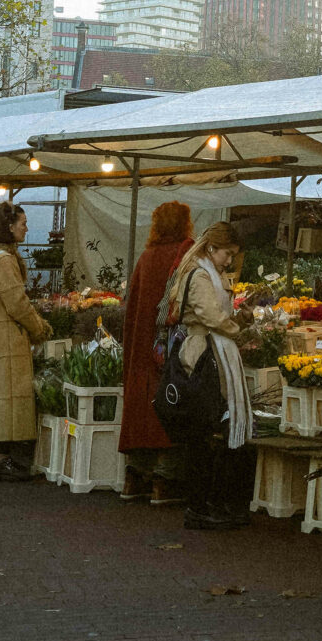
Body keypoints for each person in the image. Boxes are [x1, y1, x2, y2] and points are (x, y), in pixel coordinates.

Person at [157, 221, 254, 529]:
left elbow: (217, 315)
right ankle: (199, 507)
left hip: (209, 349)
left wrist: (240, 316)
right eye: (227, 253)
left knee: (206, 432)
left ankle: (207, 503)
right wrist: (239, 327)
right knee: (203, 432)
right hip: (202, 354)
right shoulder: (200, 275)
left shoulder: (206, 272)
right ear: (212, 248)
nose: (229, 261)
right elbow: (212, 317)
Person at [120, 202, 194, 503]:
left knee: (142, 408)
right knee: (169, 405)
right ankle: (165, 480)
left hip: (141, 346)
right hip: (167, 347)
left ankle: (134, 478)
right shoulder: (183, 258)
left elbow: (132, 307)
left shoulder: (146, 257)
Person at [0, 201, 51, 482]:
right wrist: (39, 327)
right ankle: (0, 460)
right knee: (6, 398)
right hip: (7, 339)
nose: (27, 228)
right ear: (8, 227)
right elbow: (17, 303)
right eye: (23, 224)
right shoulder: (4, 260)